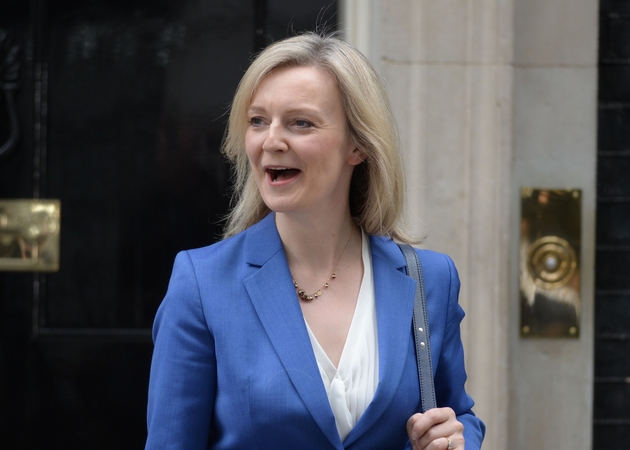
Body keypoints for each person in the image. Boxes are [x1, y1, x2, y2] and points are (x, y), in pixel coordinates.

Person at [146, 32, 485, 450]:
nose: (271, 141)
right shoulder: (202, 283)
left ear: (358, 144)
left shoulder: (430, 279)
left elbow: (459, 414)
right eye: (257, 121)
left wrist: (457, 439)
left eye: (300, 122)